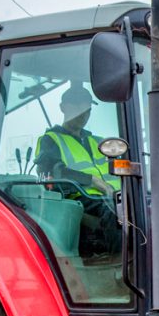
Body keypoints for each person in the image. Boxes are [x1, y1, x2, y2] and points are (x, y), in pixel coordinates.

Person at [35, 84, 121, 256]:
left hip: (115, 195)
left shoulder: (98, 141)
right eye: (77, 107)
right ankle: (121, 266)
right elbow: (55, 173)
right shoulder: (50, 140)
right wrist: (94, 181)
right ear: (62, 107)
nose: (83, 114)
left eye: (87, 110)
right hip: (81, 197)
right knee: (115, 211)